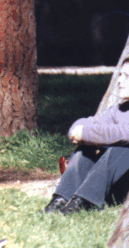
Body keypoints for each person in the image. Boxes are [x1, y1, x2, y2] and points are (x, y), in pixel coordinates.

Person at [44, 61, 129, 215]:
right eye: (121, 75)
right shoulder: (119, 110)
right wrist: (78, 132)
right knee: (85, 148)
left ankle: (84, 202)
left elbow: (123, 133)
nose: (120, 81)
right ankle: (61, 198)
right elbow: (84, 123)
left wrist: (85, 134)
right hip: (113, 181)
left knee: (121, 149)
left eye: (127, 76)